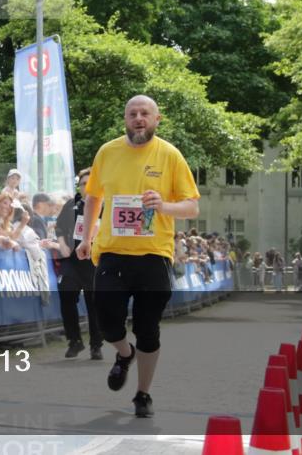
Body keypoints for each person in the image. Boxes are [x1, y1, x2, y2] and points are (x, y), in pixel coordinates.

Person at [76, 95, 199, 418]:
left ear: (157, 119)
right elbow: (93, 198)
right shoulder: (108, 151)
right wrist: (86, 238)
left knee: (148, 328)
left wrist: (164, 206)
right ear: (125, 119)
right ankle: (124, 353)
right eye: (133, 113)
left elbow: (192, 206)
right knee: (106, 321)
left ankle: (143, 394)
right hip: (112, 252)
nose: (139, 118)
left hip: (153, 254)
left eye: (145, 113)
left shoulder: (170, 155)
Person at [43, 167, 103, 360]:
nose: (86, 186)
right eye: (83, 183)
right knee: (66, 295)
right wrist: (62, 245)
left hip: (95, 262)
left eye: (89, 182)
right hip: (72, 260)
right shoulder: (72, 204)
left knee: (94, 304)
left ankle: (96, 345)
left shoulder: (106, 204)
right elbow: (59, 228)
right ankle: (74, 340)